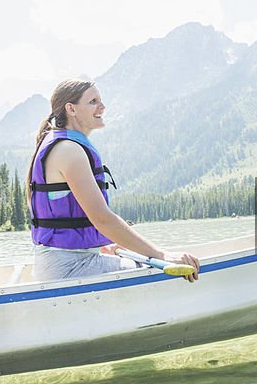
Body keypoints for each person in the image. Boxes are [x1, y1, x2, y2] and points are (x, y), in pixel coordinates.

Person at [28, 79, 200, 282]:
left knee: (143, 258)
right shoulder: (69, 150)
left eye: (100, 100)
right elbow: (102, 219)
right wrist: (162, 255)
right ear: (71, 109)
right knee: (150, 267)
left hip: (64, 262)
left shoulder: (63, 146)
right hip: (70, 268)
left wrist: (102, 245)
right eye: (93, 101)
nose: (102, 106)